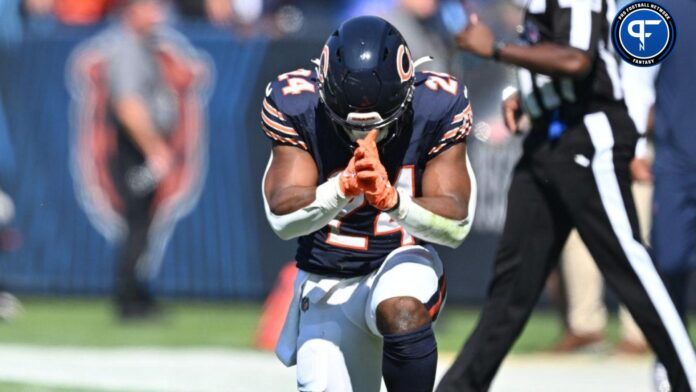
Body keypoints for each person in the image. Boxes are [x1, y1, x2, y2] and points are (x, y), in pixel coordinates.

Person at [436, 1, 696, 391]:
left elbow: (577, 59)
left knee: (630, 266)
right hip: (548, 141)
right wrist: (529, 96)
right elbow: (559, 58)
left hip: (588, 138)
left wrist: (497, 48)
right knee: (510, 290)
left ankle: (688, 378)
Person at [262, 16, 476, 392]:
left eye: (379, 123)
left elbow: (457, 222)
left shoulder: (437, 104)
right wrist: (341, 188)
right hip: (327, 276)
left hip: (402, 262)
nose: (364, 134)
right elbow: (282, 217)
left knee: (403, 311)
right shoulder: (297, 104)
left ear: (408, 92)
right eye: (350, 124)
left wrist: (395, 202)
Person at [70, 0, 209, 320]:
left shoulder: (142, 46)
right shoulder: (128, 49)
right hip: (133, 151)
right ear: (133, 11)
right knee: (137, 224)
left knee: (144, 223)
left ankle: (137, 292)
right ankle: (128, 297)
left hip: (140, 148)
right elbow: (128, 105)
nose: (158, 14)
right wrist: (153, 148)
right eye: (151, 7)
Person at [620, 1, 696, 389]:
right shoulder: (656, 9)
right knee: (670, 263)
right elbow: (636, 78)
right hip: (678, 162)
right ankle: (673, 359)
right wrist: (632, 145)